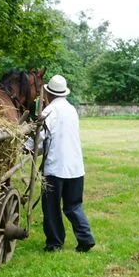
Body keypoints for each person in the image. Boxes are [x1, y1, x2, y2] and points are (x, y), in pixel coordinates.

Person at [32, 74, 96, 252]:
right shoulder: (71, 109)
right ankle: (85, 238)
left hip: (55, 169)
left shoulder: (48, 112)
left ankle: (54, 243)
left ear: (48, 94)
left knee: (51, 208)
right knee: (73, 206)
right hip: (75, 168)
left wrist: (26, 146)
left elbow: (40, 138)